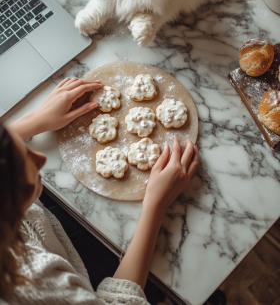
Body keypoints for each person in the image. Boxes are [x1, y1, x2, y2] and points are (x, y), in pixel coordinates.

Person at [0, 77, 199, 304]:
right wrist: (156, 205)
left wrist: (33, 122)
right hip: (82, 274)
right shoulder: (35, 286)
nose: (41, 159)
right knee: (156, 286)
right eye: (21, 166)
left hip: (44, 223)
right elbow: (118, 299)